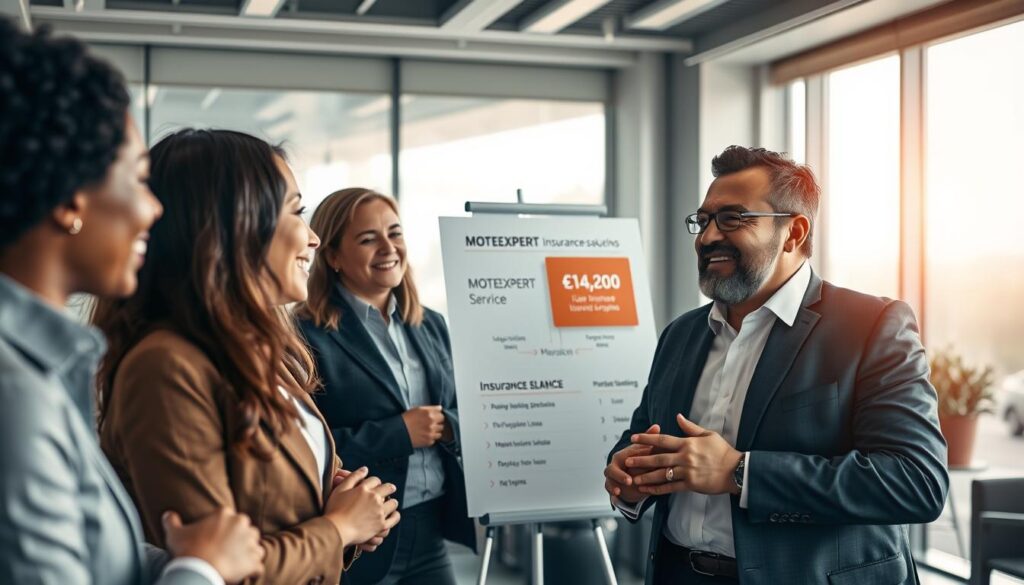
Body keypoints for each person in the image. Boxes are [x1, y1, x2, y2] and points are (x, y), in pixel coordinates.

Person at [604, 146, 949, 585]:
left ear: (794, 232)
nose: (707, 237)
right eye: (703, 220)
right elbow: (640, 441)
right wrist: (627, 477)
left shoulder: (873, 326)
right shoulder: (680, 334)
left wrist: (738, 472)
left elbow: (915, 481)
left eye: (732, 218)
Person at [0, 18, 264, 585]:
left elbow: (86, 552)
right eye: (139, 180)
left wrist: (177, 561)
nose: (154, 210)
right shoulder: (14, 395)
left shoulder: (41, 369)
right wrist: (201, 570)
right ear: (72, 198)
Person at [93, 130, 400, 585]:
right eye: (296, 211)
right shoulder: (165, 366)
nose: (313, 238)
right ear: (235, 225)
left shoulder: (259, 349)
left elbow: (272, 508)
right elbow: (214, 569)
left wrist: (344, 512)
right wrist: (338, 528)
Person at [295, 188, 475, 585]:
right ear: (334, 257)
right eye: (367, 238)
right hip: (360, 539)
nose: (387, 247)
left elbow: (463, 410)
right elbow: (304, 449)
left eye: (394, 233)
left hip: (430, 528)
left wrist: (448, 425)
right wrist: (400, 433)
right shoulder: (304, 335)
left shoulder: (430, 324)